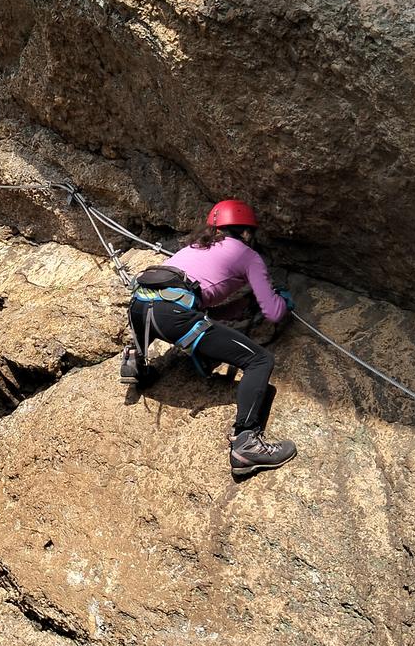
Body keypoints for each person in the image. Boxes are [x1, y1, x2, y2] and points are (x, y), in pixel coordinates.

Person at [120, 199, 298, 478]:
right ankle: (246, 442)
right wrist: (284, 302)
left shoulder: (194, 247)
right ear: (247, 232)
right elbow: (274, 312)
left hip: (141, 306)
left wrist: (243, 306)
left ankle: (137, 360)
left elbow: (203, 305)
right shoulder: (249, 256)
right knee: (260, 361)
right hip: (174, 313)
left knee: (189, 324)